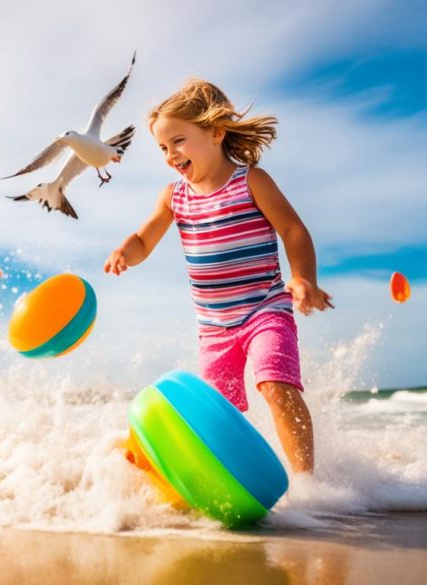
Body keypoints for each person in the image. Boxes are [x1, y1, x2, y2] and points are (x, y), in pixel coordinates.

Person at [104, 79, 333, 474]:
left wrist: (303, 278)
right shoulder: (173, 197)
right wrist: (127, 250)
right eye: (162, 148)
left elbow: (293, 230)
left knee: (275, 385)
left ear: (215, 132)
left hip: (266, 310)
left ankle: (307, 483)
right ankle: (228, 480)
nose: (170, 155)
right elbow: (145, 239)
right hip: (214, 328)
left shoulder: (251, 181)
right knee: (219, 413)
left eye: (178, 141)